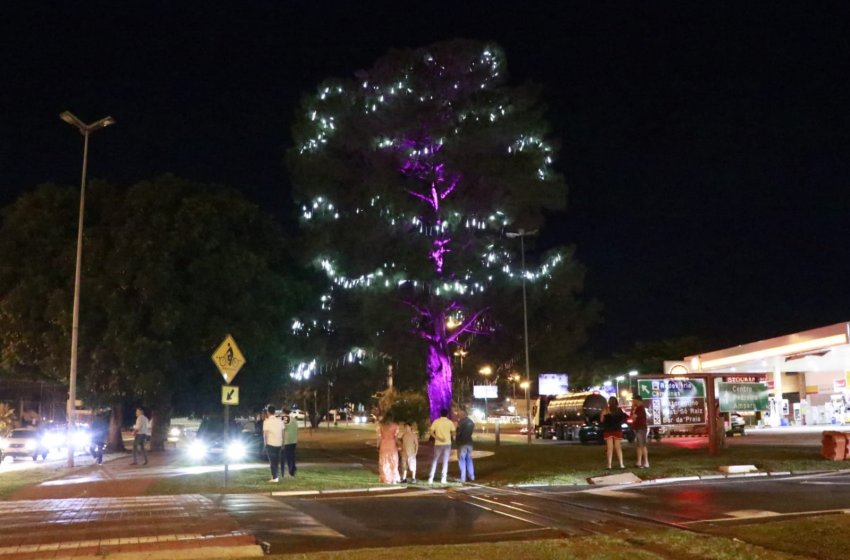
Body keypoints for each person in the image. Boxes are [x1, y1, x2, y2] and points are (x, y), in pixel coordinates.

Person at [428, 409, 455, 484]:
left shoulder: (436, 422)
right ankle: (443, 479)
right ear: (447, 414)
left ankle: (431, 478)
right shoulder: (449, 422)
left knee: (435, 460)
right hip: (447, 443)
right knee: (445, 461)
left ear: (440, 414)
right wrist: (450, 437)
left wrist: (437, 438)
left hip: (438, 443)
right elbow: (453, 432)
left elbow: (431, 432)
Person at [600, 396, 627, 469]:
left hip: (608, 430)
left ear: (609, 402)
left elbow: (601, 420)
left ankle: (609, 465)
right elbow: (623, 419)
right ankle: (621, 464)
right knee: (618, 447)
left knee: (609, 448)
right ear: (616, 402)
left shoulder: (605, 410)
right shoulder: (619, 410)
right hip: (617, 429)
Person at [377, 414, 401, 484]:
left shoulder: (381, 426)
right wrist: (399, 444)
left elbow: (379, 438)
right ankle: (393, 479)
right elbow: (396, 438)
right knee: (393, 462)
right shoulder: (395, 426)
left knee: (384, 462)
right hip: (392, 445)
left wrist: (378, 445)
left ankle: (385, 478)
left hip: (383, 445)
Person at [263, 405, 284, 482]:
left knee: (272, 461)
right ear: (274, 412)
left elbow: (265, 434)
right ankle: (275, 476)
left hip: (270, 443)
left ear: (268, 412)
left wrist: (265, 444)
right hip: (279, 443)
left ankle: (275, 477)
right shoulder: (280, 421)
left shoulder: (266, 422)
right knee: (276, 461)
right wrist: (283, 443)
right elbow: (283, 433)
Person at [455, 409, 475, 483]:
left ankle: (463, 477)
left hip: (462, 443)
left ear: (463, 415)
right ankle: (472, 476)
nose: (459, 416)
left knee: (462, 460)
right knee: (469, 459)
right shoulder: (471, 422)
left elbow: (458, 433)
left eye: (460, 415)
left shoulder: (461, 423)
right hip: (469, 443)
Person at [632, 395, 650, 468]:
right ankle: (639, 462)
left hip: (641, 428)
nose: (632, 401)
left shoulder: (640, 408)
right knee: (639, 445)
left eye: (634, 400)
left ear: (637, 400)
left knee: (642, 445)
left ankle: (646, 462)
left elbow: (634, 417)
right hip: (638, 428)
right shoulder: (638, 408)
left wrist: (633, 411)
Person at [283, 408, 298, 477]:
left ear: (284, 412)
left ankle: (291, 469)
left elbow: (283, 429)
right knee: (292, 454)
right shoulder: (294, 419)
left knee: (288, 456)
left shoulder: (285, 419)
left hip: (287, 440)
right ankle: (293, 466)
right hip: (294, 440)